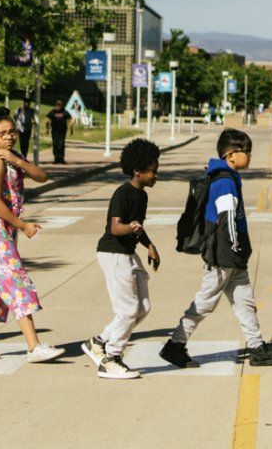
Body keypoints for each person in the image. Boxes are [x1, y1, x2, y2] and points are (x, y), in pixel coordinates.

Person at [160, 129, 272, 368]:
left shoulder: (227, 177)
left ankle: (256, 347)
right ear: (231, 155)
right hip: (223, 254)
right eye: (247, 152)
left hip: (232, 255)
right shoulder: (225, 182)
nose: (250, 156)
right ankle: (175, 345)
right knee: (206, 301)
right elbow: (227, 220)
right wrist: (235, 248)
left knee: (244, 301)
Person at [0, 115, 64, 362]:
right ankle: (33, 346)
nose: (9, 136)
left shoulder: (13, 160)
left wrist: (17, 160)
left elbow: (42, 176)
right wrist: (23, 225)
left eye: (12, 132)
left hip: (2, 227)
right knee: (16, 281)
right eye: (2, 133)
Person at [85, 138, 162, 379]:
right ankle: (111, 358)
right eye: (152, 170)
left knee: (143, 308)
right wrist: (132, 227)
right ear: (137, 171)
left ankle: (99, 342)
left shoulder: (142, 196)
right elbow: (116, 228)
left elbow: (136, 227)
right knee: (128, 310)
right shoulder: (123, 193)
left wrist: (148, 244)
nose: (156, 175)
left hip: (128, 253)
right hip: (113, 253)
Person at [47, 100, 71, 164]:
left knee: (60, 144)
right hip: (55, 131)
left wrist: (71, 129)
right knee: (56, 144)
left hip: (62, 131)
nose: (58, 107)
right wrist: (47, 128)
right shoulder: (53, 112)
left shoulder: (64, 112)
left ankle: (60, 158)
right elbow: (47, 120)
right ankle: (57, 158)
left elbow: (69, 120)